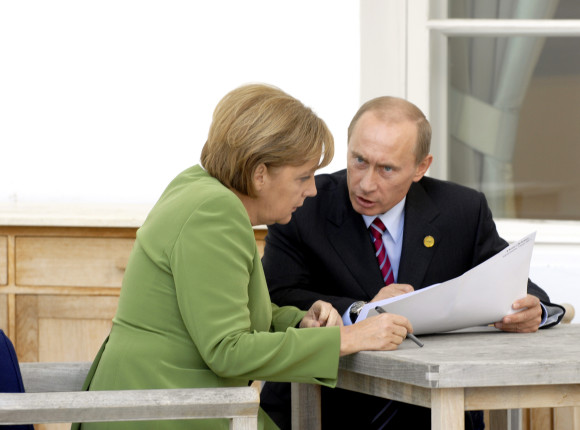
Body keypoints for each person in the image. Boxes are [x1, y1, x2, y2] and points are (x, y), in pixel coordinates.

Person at [72, 84, 421, 430]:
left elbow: (225, 313)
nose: (312, 189)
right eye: (303, 176)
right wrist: (350, 337)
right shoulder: (214, 212)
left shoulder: (198, 187)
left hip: (175, 405)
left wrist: (297, 321)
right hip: (161, 415)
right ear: (260, 175)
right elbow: (228, 350)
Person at [260, 96, 566, 429]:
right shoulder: (303, 202)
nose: (366, 183)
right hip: (327, 407)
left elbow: (517, 285)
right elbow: (277, 296)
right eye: (359, 160)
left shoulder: (461, 209)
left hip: (432, 412)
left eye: (386, 169)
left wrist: (534, 311)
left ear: (421, 167)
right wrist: (359, 312)